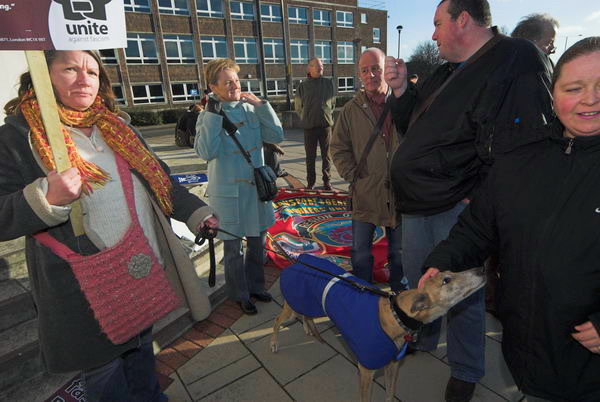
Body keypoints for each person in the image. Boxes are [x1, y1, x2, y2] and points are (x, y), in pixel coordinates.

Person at [0, 50, 219, 401]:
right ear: (43, 75)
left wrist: (197, 212)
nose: (84, 79)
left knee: (142, 354)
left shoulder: (117, 127)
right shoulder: (18, 137)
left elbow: (159, 179)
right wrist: (45, 198)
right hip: (84, 285)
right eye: (70, 68)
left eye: (92, 71)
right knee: (105, 374)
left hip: (139, 266)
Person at [384, 1, 554, 401]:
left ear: (464, 19)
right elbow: (411, 125)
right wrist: (401, 91)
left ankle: (464, 368)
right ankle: (424, 336)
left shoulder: (515, 58)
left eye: (438, 23)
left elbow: (527, 145)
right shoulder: (445, 71)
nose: (433, 34)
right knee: (422, 281)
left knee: (461, 293)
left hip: (457, 209)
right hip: (416, 205)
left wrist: (479, 199)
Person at [419, 36, 600, 402]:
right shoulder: (519, 159)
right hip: (524, 349)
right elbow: (477, 227)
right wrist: (443, 262)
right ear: (553, 94)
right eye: (575, 87)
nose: (590, 98)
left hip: (588, 368)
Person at [195, 58, 284, 315]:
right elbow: (206, 151)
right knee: (233, 249)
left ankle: (256, 286)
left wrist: (262, 105)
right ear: (214, 86)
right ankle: (239, 293)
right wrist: (212, 115)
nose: (234, 86)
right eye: (227, 82)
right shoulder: (208, 116)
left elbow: (276, 136)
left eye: (236, 80)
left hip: (255, 190)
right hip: (229, 193)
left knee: (258, 242)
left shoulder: (250, 109)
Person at [330, 48, 404, 292]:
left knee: (399, 253)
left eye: (375, 68)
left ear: (385, 68)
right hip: (365, 192)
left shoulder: (402, 103)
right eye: (364, 70)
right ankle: (362, 298)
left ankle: (399, 302)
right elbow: (338, 148)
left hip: (400, 193)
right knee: (361, 253)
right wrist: (354, 176)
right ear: (359, 75)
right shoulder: (351, 110)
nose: (371, 74)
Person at [294, 57, 336, 190]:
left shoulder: (329, 83)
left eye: (322, 66)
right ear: (309, 68)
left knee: (327, 156)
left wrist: (327, 115)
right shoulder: (303, 86)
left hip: (325, 126)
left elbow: (333, 103)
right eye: (317, 66)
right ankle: (310, 183)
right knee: (310, 157)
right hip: (309, 127)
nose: (320, 68)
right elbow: (298, 107)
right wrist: (306, 117)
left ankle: (327, 181)